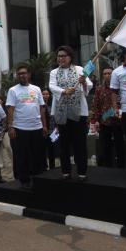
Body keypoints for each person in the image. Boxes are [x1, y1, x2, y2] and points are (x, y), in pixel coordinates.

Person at [49, 46, 93, 181]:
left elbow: (89, 85)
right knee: (64, 143)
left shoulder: (80, 69)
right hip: (61, 112)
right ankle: (66, 171)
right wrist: (63, 91)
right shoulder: (54, 72)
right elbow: (51, 86)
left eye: (63, 56)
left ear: (70, 57)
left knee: (80, 143)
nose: (61, 58)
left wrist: (84, 81)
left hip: (79, 112)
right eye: (59, 56)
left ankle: (82, 171)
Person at [6, 64, 48, 188]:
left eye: (24, 73)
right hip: (20, 128)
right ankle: (24, 181)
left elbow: (41, 109)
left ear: (29, 75)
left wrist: (44, 126)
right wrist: (11, 126)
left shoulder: (37, 89)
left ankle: (36, 178)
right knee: (22, 156)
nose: (22, 76)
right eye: (19, 74)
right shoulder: (13, 90)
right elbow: (10, 109)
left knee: (37, 155)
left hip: (36, 128)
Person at [92, 67, 125, 168]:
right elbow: (96, 105)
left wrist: (119, 112)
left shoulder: (120, 87)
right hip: (104, 122)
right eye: (105, 74)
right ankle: (108, 168)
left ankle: (121, 167)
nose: (107, 75)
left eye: (109, 73)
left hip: (118, 121)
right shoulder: (99, 89)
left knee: (120, 146)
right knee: (105, 147)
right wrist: (96, 120)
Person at [41, 89, 56, 170]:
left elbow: (55, 118)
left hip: (52, 131)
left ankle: (52, 167)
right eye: (43, 94)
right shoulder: (38, 105)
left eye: (47, 94)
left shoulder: (52, 105)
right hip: (42, 131)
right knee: (42, 150)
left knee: (52, 151)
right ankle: (44, 167)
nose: (45, 96)